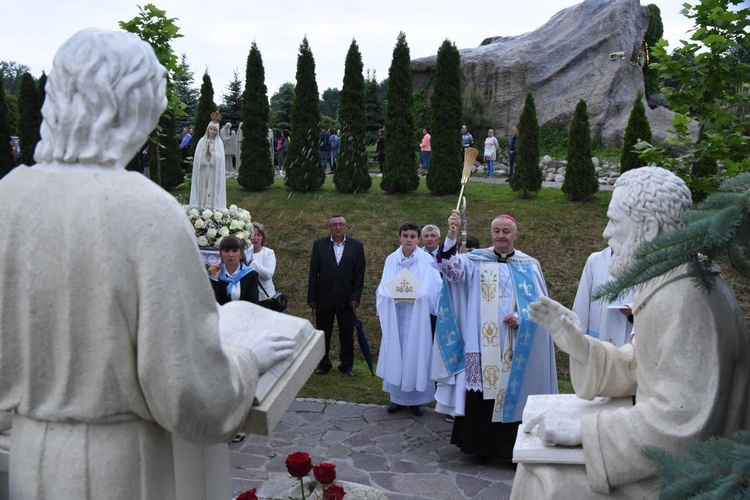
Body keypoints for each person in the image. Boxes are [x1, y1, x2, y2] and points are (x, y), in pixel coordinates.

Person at [0, 28, 294, 498]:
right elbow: (187, 390)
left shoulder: (8, 197)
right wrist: (245, 363)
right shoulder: (146, 212)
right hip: (123, 466)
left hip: (31, 456)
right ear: (130, 108)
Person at [513, 167, 750, 498]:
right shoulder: (675, 280)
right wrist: (578, 344)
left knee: (543, 478)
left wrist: (584, 430)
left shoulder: (684, 297)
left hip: (689, 480)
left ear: (648, 228)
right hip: (682, 465)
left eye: (614, 221)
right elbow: (643, 365)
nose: (606, 233)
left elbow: (681, 420)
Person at [433, 211, 558, 464]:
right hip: (481, 342)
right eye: (496, 231)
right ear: (491, 234)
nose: (500, 236)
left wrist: (521, 316)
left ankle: (508, 449)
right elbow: (449, 269)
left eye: (506, 231)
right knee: (481, 394)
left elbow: (539, 304)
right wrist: (451, 234)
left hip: (515, 341)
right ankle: (479, 447)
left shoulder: (529, 265)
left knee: (513, 390)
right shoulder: (475, 260)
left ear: (515, 235)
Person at [376, 222, 442, 417]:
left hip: (417, 315)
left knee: (415, 352)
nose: (409, 239)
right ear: (400, 237)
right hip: (396, 313)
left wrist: (419, 295)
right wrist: (390, 295)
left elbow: (435, 286)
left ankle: (415, 401)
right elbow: (383, 286)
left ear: (418, 239)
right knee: (396, 351)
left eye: (413, 236)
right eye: (405, 236)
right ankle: (396, 399)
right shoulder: (391, 259)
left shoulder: (426, 260)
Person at [308, 214, 366, 377]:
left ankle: (346, 365)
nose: (338, 227)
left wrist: (356, 297)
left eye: (341, 224)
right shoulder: (319, 245)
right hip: (324, 296)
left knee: (346, 333)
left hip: (347, 299)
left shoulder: (356, 246)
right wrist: (311, 297)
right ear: (329, 227)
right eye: (334, 225)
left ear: (346, 226)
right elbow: (314, 272)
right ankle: (323, 364)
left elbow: (359, 274)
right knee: (323, 332)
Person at [572, 247, 633, 347]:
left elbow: (646, 298)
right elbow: (582, 300)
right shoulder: (595, 260)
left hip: (625, 335)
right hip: (596, 335)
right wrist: (578, 335)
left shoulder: (641, 262)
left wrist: (633, 309)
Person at [208, 235, 259, 306]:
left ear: (241, 254)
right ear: (221, 254)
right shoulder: (216, 274)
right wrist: (214, 279)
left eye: (235, 251)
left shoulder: (250, 274)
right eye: (226, 251)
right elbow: (211, 302)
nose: (230, 255)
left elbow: (253, 304)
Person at [189, 111, 227, 209]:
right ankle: (200, 207)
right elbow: (197, 158)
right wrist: (204, 154)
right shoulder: (202, 141)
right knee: (202, 191)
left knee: (212, 191)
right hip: (202, 172)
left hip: (213, 173)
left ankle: (212, 209)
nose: (212, 131)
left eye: (214, 130)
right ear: (207, 129)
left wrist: (212, 154)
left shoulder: (219, 143)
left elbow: (221, 160)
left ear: (217, 131)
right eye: (211, 129)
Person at [249, 222, 277, 302]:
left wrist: (252, 263)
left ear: (263, 237)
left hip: (265, 298)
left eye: (259, 235)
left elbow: (268, 275)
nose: (255, 238)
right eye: (253, 235)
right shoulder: (241, 254)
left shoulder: (269, 253)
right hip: (248, 299)